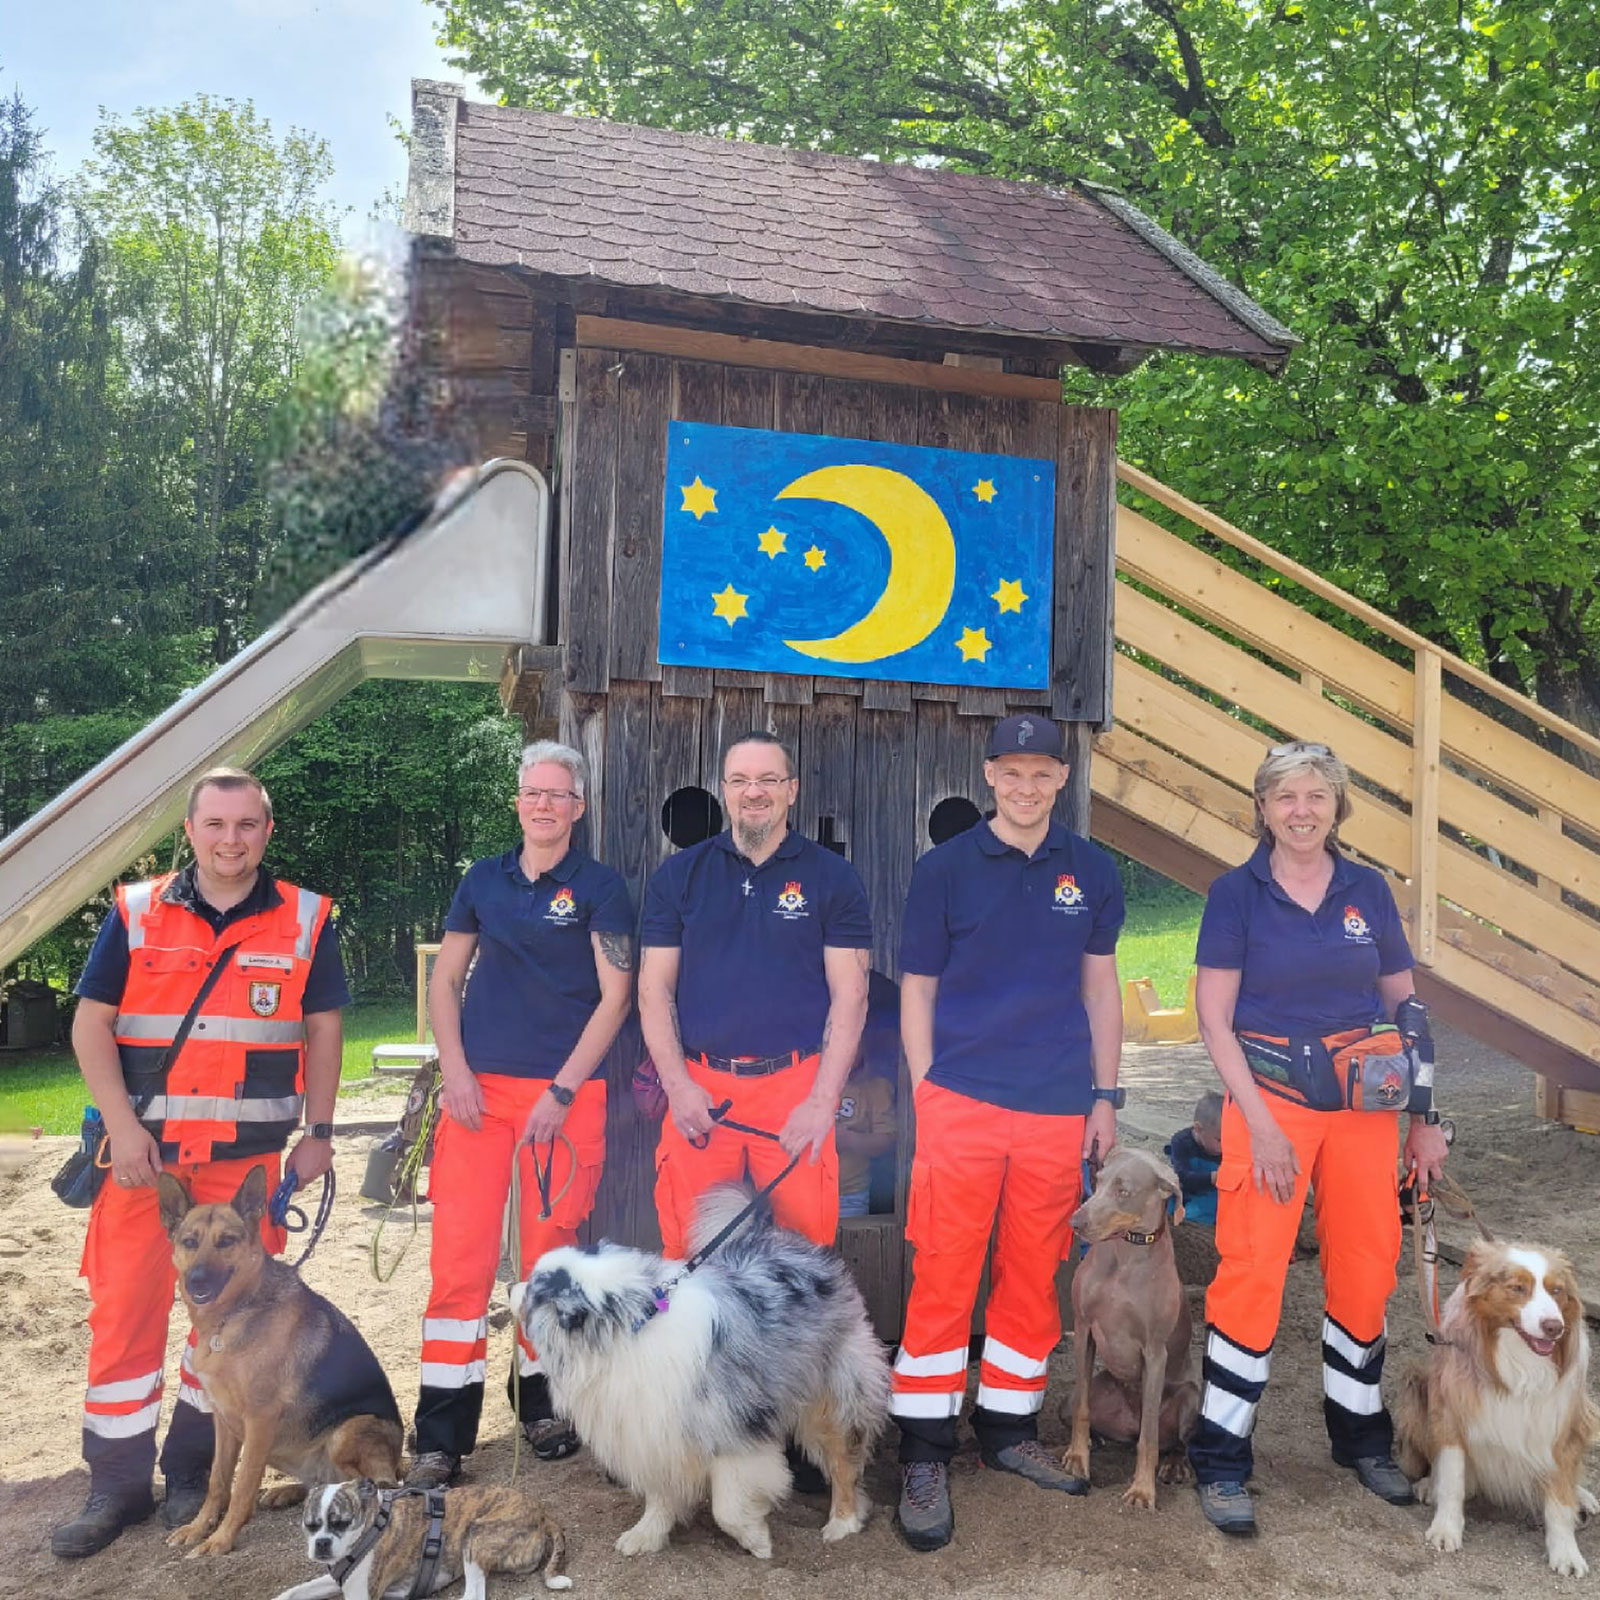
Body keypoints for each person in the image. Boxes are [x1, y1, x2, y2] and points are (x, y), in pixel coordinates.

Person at [53, 767, 350, 1558]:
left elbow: (323, 1034)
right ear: (191, 831)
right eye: (215, 825)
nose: (230, 840)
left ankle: (191, 1472)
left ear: (267, 832)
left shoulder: (307, 920)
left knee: (230, 1329)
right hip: (143, 1167)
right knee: (124, 1318)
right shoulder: (136, 911)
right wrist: (122, 1124)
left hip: (243, 1173)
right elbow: (90, 1027)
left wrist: (318, 1130)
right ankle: (114, 1486)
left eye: (246, 825)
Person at [1187, 740, 1449, 1537]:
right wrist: (1260, 1126)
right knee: (1252, 1276)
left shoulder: (1367, 889)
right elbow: (1213, 1020)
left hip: (1365, 1112)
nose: (1302, 811)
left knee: (1366, 1270)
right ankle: (1223, 1456)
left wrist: (1425, 1118)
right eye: (1286, 797)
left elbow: (1408, 1012)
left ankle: (1360, 1436)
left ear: (1338, 807)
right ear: (1261, 806)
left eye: (1318, 797)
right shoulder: (1236, 894)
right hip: (1268, 1106)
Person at [891, 714, 1126, 1552]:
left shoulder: (1090, 870)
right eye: (1012, 773)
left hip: (1058, 1106)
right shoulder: (945, 869)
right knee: (946, 1273)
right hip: (962, 1099)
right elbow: (915, 989)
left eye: (1043, 773)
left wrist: (1104, 1096)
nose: (1027, 788)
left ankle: (1006, 1429)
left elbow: (1101, 991)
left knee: (1033, 1274)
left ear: (1064, 778)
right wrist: (928, 1090)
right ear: (989, 776)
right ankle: (922, 1450)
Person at [407, 741, 633, 1489]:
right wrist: (457, 1072)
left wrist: (563, 1091)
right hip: (478, 1099)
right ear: (518, 802)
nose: (544, 805)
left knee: (548, 1263)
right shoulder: (483, 879)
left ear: (578, 807)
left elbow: (616, 998)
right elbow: (445, 984)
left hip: (563, 1103)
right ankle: (442, 1431)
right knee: (460, 1264)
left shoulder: (601, 888)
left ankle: (540, 1406)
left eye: (558, 795)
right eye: (532, 793)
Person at [638, 729, 872, 1259]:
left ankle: (795, 1346)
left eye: (768, 779)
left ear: (791, 790)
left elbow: (851, 996)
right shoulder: (680, 876)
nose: (754, 791)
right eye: (741, 780)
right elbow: (653, 990)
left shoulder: (832, 877)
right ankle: (697, 1347)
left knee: (805, 1251)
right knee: (688, 1247)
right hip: (700, 1088)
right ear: (724, 790)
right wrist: (677, 1089)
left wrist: (821, 1102)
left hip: (795, 1088)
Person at [1167, 1090, 1224, 1225]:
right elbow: (1182, 1175)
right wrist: (1212, 1178)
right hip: (1186, 1186)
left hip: (1213, 1193)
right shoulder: (1181, 1141)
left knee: (1211, 1205)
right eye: (1220, 1140)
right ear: (1198, 1128)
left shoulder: (1230, 1147)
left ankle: (1191, 1217)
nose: (1226, 1146)